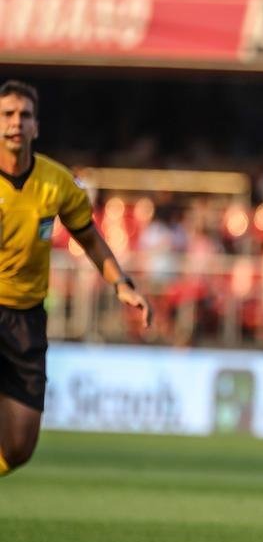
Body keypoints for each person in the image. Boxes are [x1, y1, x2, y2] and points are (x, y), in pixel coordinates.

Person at [0, 80, 152, 476]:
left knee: (18, 448)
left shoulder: (58, 183)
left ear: (36, 127)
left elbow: (90, 239)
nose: (16, 122)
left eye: (25, 115)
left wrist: (122, 284)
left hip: (27, 319)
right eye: (7, 114)